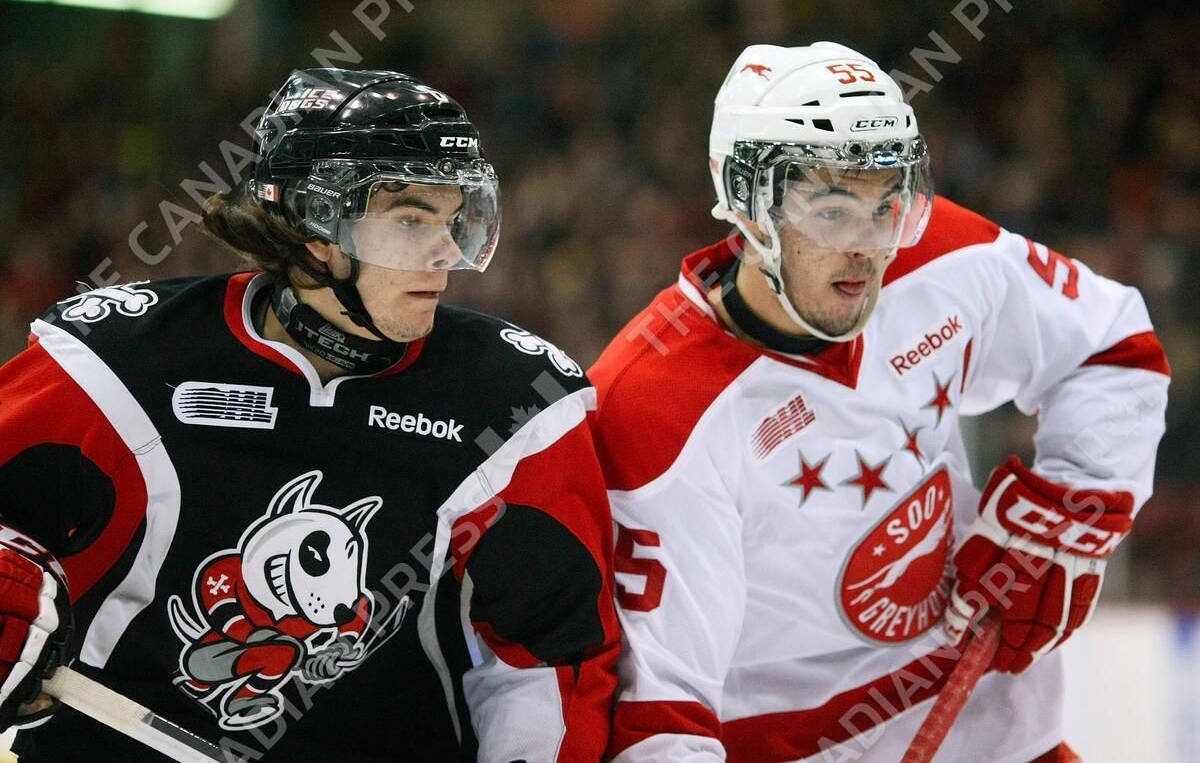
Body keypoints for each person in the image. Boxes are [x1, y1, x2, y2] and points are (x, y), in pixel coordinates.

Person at [0, 68, 619, 761]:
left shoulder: (516, 403)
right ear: (312, 225)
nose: (446, 253)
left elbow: (548, 657)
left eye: (455, 219)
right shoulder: (116, 362)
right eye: (411, 220)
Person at [589, 42, 1170, 762]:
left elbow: (1112, 347)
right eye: (832, 209)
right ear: (747, 203)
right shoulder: (653, 407)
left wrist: (1065, 511)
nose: (869, 246)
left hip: (999, 736)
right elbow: (663, 714)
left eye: (887, 203)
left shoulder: (937, 258)